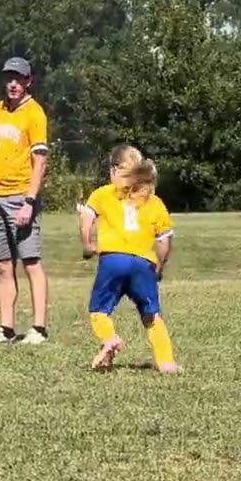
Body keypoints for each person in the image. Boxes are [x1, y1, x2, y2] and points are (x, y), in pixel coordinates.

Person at [80, 146, 178, 373]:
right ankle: (166, 362)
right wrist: (160, 267)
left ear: (114, 169)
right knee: (151, 315)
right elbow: (164, 242)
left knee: (99, 311)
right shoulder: (153, 201)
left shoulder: (103, 193)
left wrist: (87, 245)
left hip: (113, 259)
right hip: (144, 263)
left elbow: (87, 219)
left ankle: (110, 338)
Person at [0, 56, 50, 344]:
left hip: (22, 196)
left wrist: (29, 201)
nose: (13, 83)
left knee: (31, 261)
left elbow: (39, 161)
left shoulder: (35, 114)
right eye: (9, 78)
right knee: (4, 265)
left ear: (29, 81)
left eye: (19, 78)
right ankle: (5, 328)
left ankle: (38, 328)